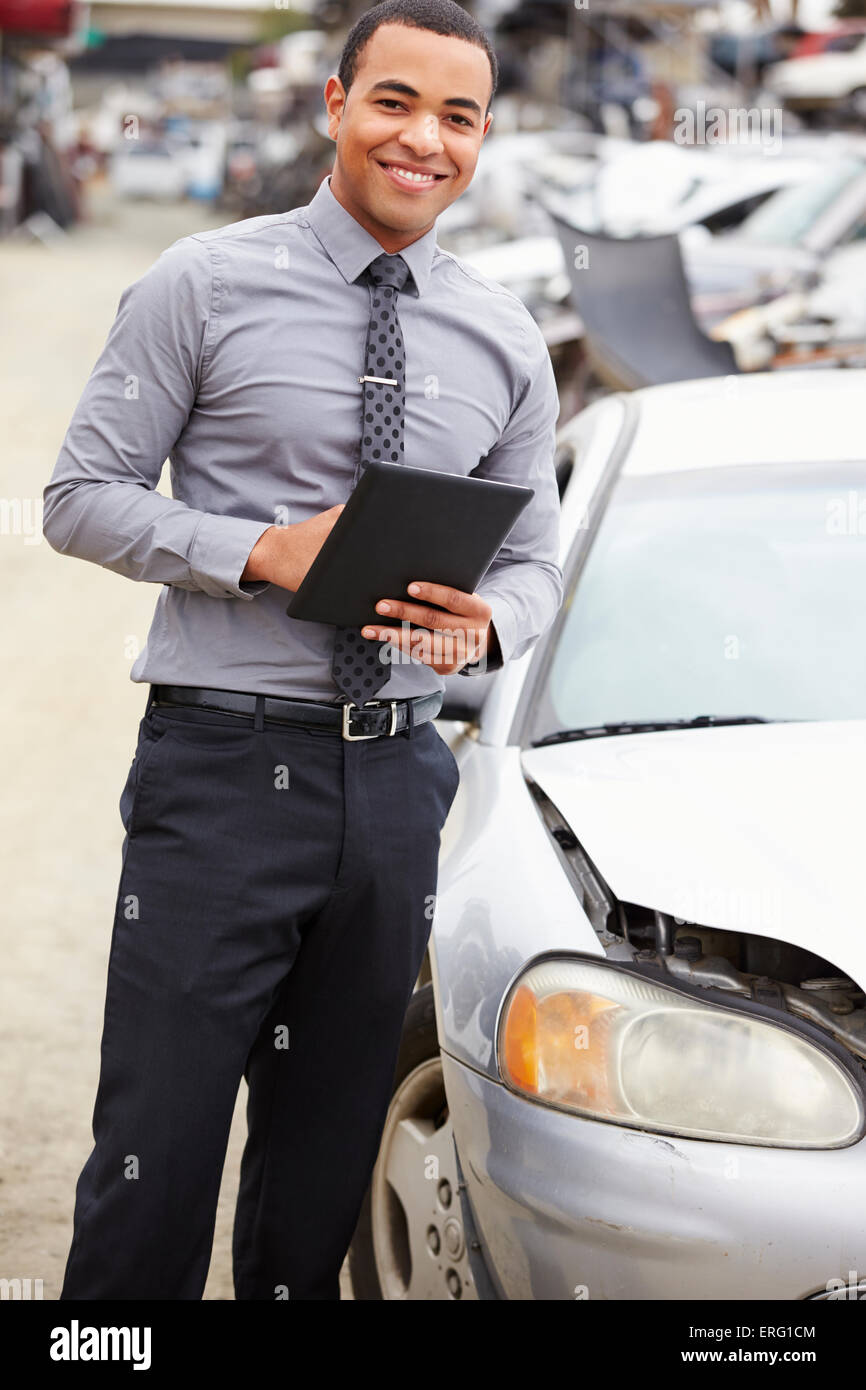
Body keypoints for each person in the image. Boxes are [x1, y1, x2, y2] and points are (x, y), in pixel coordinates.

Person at [43, 0, 562, 1301]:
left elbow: (536, 565)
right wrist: (256, 549)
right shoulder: (200, 283)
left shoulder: (504, 338)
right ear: (335, 104)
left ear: (482, 137)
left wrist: (487, 622)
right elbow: (81, 497)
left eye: (457, 116)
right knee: (150, 1160)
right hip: (219, 770)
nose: (423, 139)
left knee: (323, 1167)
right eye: (395, 101)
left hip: (394, 786)